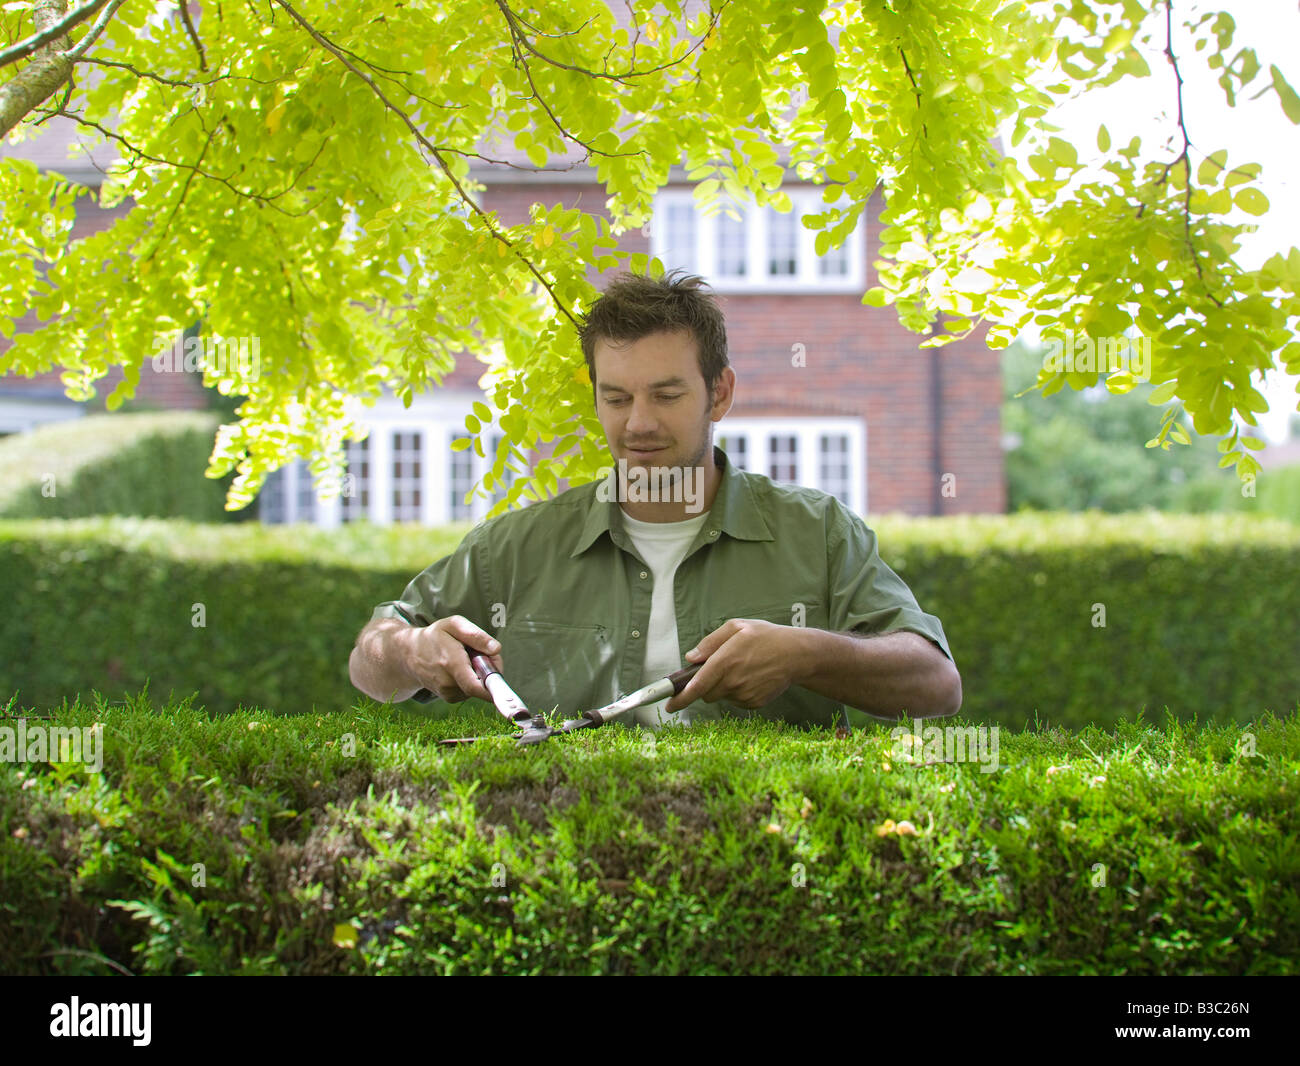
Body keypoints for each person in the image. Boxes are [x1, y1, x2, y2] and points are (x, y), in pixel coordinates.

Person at [349, 270, 961, 731]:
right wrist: (410, 650)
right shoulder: (513, 547)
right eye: (616, 399)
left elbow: (936, 683)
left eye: (666, 395)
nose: (638, 424)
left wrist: (807, 652)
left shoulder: (818, 533)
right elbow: (370, 665)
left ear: (719, 394)